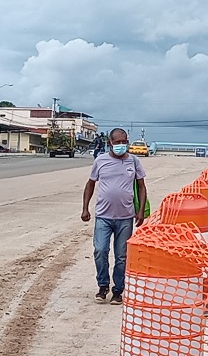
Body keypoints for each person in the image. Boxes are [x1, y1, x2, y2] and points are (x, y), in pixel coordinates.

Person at [81, 128, 147, 305]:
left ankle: (118, 290)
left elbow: (141, 186)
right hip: (103, 216)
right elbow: (90, 184)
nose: (121, 145)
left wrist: (140, 211)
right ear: (110, 142)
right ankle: (103, 286)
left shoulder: (134, 161)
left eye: (124, 142)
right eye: (117, 142)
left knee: (122, 256)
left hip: (126, 217)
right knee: (100, 250)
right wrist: (85, 208)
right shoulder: (100, 161)